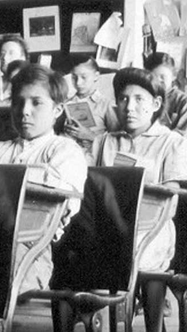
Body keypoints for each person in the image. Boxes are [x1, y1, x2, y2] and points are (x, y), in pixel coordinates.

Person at [58, 67, 187, 332]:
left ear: (156, 104)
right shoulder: (105, 141)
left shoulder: (172, 142)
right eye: (124, 98)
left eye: (139, 99)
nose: (130, 106)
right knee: (67, 248)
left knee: (136, 249)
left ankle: (147, 323)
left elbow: (171, 196)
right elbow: (85, 183)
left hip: (151, 228)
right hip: (106, 227)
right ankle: (83, 318)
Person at [0, 64, 87, 292]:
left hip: (29, 251)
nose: (24, 111)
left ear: (57, 110)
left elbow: (57, 210)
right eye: (18, 102)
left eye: (37, 103)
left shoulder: (65, 151)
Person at [60, 57, 119, 149]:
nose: (78, 83)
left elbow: (117, 142)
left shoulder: (106, 104)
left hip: (91, 156)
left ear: (96, 76)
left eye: (84, 77)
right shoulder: (66, 103)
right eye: (74, 77)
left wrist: (90, 136)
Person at [144, 52, 187, 135]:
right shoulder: (145, 97)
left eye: (162, 77)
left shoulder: (183, 101)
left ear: (174, 76)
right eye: (153, 77)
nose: (158, 81)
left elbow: (183, 136)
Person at [0, 34, 29, 102]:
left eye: (11, 53)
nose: (5, 58)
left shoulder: (30, 84)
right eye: (2, 54)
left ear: (23, 57)